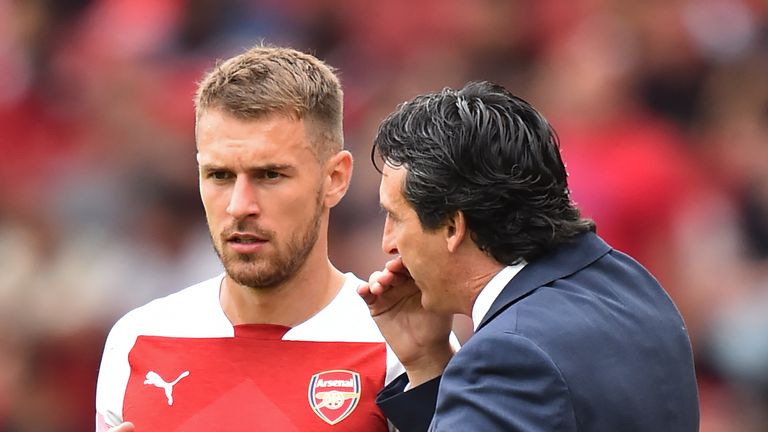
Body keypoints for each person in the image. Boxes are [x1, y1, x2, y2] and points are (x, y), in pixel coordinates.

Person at [358, 81, 700, 431]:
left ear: (451, 227)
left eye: (396, 217)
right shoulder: (632, 283)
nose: (389, 243)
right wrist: (429, 364)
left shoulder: (509, 356)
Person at [95, 45, 404, 431]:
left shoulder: (400, 349)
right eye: (220, 176)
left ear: (335, 179)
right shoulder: (137, 340)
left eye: (270, 175)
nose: (240, 206)